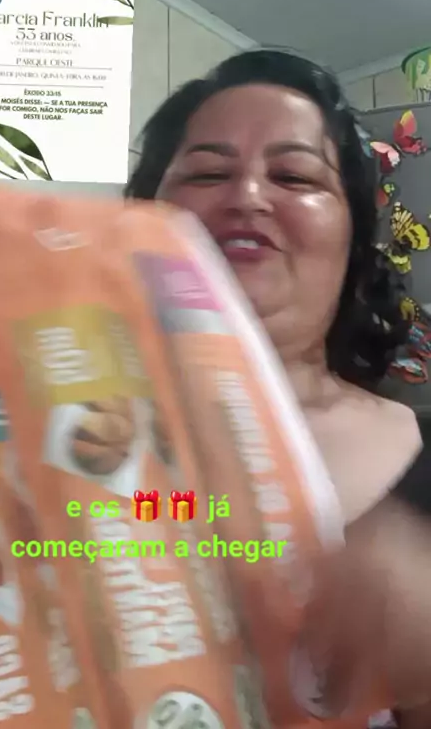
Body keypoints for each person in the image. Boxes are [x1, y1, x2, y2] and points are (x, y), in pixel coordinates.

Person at [125, 49, 431, 728]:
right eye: (208, 173)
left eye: (294, 176)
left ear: (354, 237)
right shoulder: (38, 418)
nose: (247, 196)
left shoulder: (420, 461)